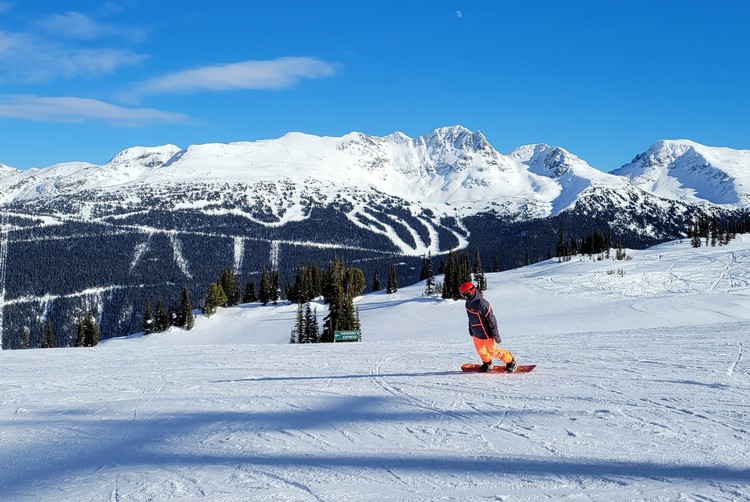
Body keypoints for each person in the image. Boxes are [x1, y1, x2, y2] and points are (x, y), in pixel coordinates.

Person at [459, 281, 517, 372]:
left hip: (487, 334)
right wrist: (470, 327)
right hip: (476, 333)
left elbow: (492, 319)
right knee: (481, 350)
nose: (464, 297)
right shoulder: (468, 303)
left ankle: (510, 361)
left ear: (471, 291)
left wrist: (496, 335)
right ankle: (487, 362)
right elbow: (470, 317)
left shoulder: (482, 303)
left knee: (493, 351)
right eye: (462, 295)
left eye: (465, 295)